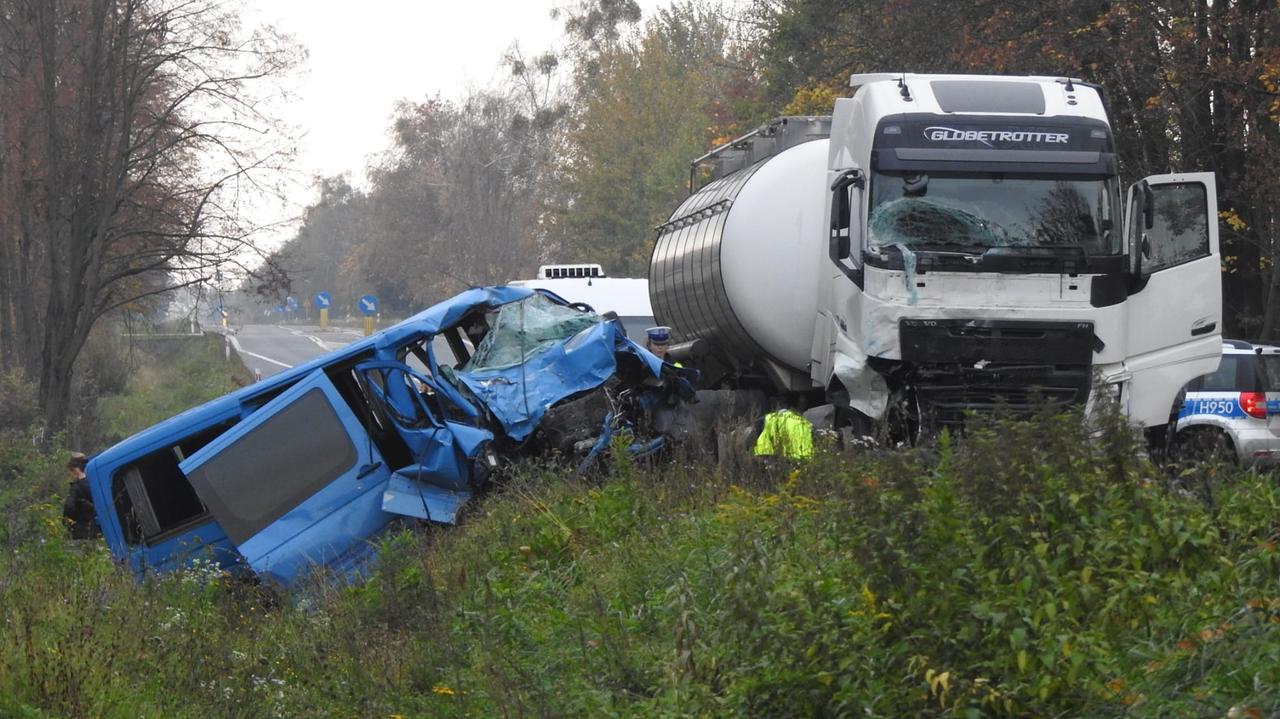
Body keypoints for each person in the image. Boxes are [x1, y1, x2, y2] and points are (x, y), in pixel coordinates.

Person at [62, 452, 100, 539]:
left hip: (81, 534)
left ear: (75, 470)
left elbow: (69, 506)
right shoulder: (94, 483)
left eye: (70, 473)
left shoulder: (76, 488)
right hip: (98, 531)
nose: (70, 476)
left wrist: (67, 521)